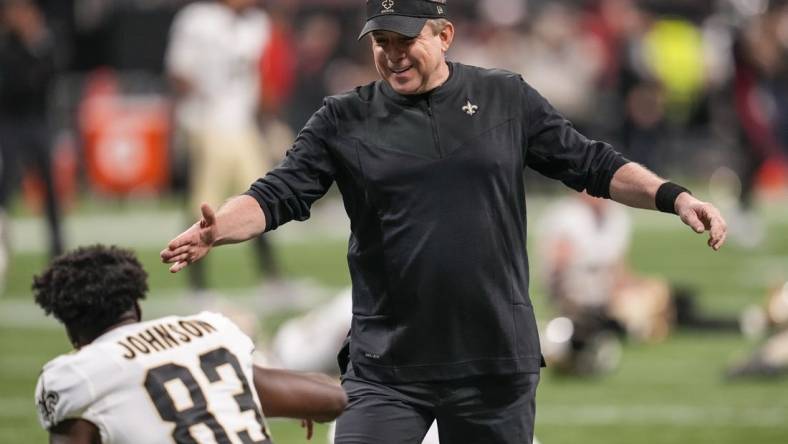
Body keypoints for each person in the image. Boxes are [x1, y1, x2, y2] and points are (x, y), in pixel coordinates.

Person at [161, 1, 728, 442]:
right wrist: (220, 226)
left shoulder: (505, 97)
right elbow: (279, 191)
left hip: (493, 361)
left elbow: (591, 163)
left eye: (405, 40)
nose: (391, 55)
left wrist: (672, 195)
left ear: (443, 35)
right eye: (381, 42)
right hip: (386, 366)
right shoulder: (344, 117)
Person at [34, 244, 347, 443]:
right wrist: (301, 403)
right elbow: (333, 399)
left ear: (73, 331)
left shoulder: (77, 375)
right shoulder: (209, 330)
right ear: (136, 307)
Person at [165, 0, 281, 292]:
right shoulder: (197, 19)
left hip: (241, 123)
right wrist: (201, 106)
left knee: (261, 193)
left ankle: (270, 274)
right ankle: (197, 281)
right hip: (208, 122)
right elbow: (179, 72)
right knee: (205, 202)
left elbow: (262, 78)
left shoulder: (257, 24)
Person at [0, 0, 65, 282]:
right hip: (10, 123)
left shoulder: (43, 42)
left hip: (37, 122)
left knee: (50, 192)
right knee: (5, 190)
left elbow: (48, 78)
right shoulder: (6, 45)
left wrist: (34, 43)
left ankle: (58, 253)